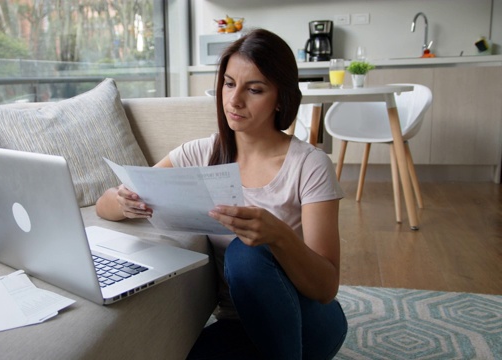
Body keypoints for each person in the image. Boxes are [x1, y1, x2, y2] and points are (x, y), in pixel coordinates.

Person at [96, 28, 347, 359]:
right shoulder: (199, 154)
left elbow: (326, 288)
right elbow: (104, 206)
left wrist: (279, 236)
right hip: (240, 323)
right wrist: (124, 202)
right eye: (229, 84)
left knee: (246, 253)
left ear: (281, 98)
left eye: (254, 89)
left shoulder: (310, 165)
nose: (234, 100)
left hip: (308, 318)